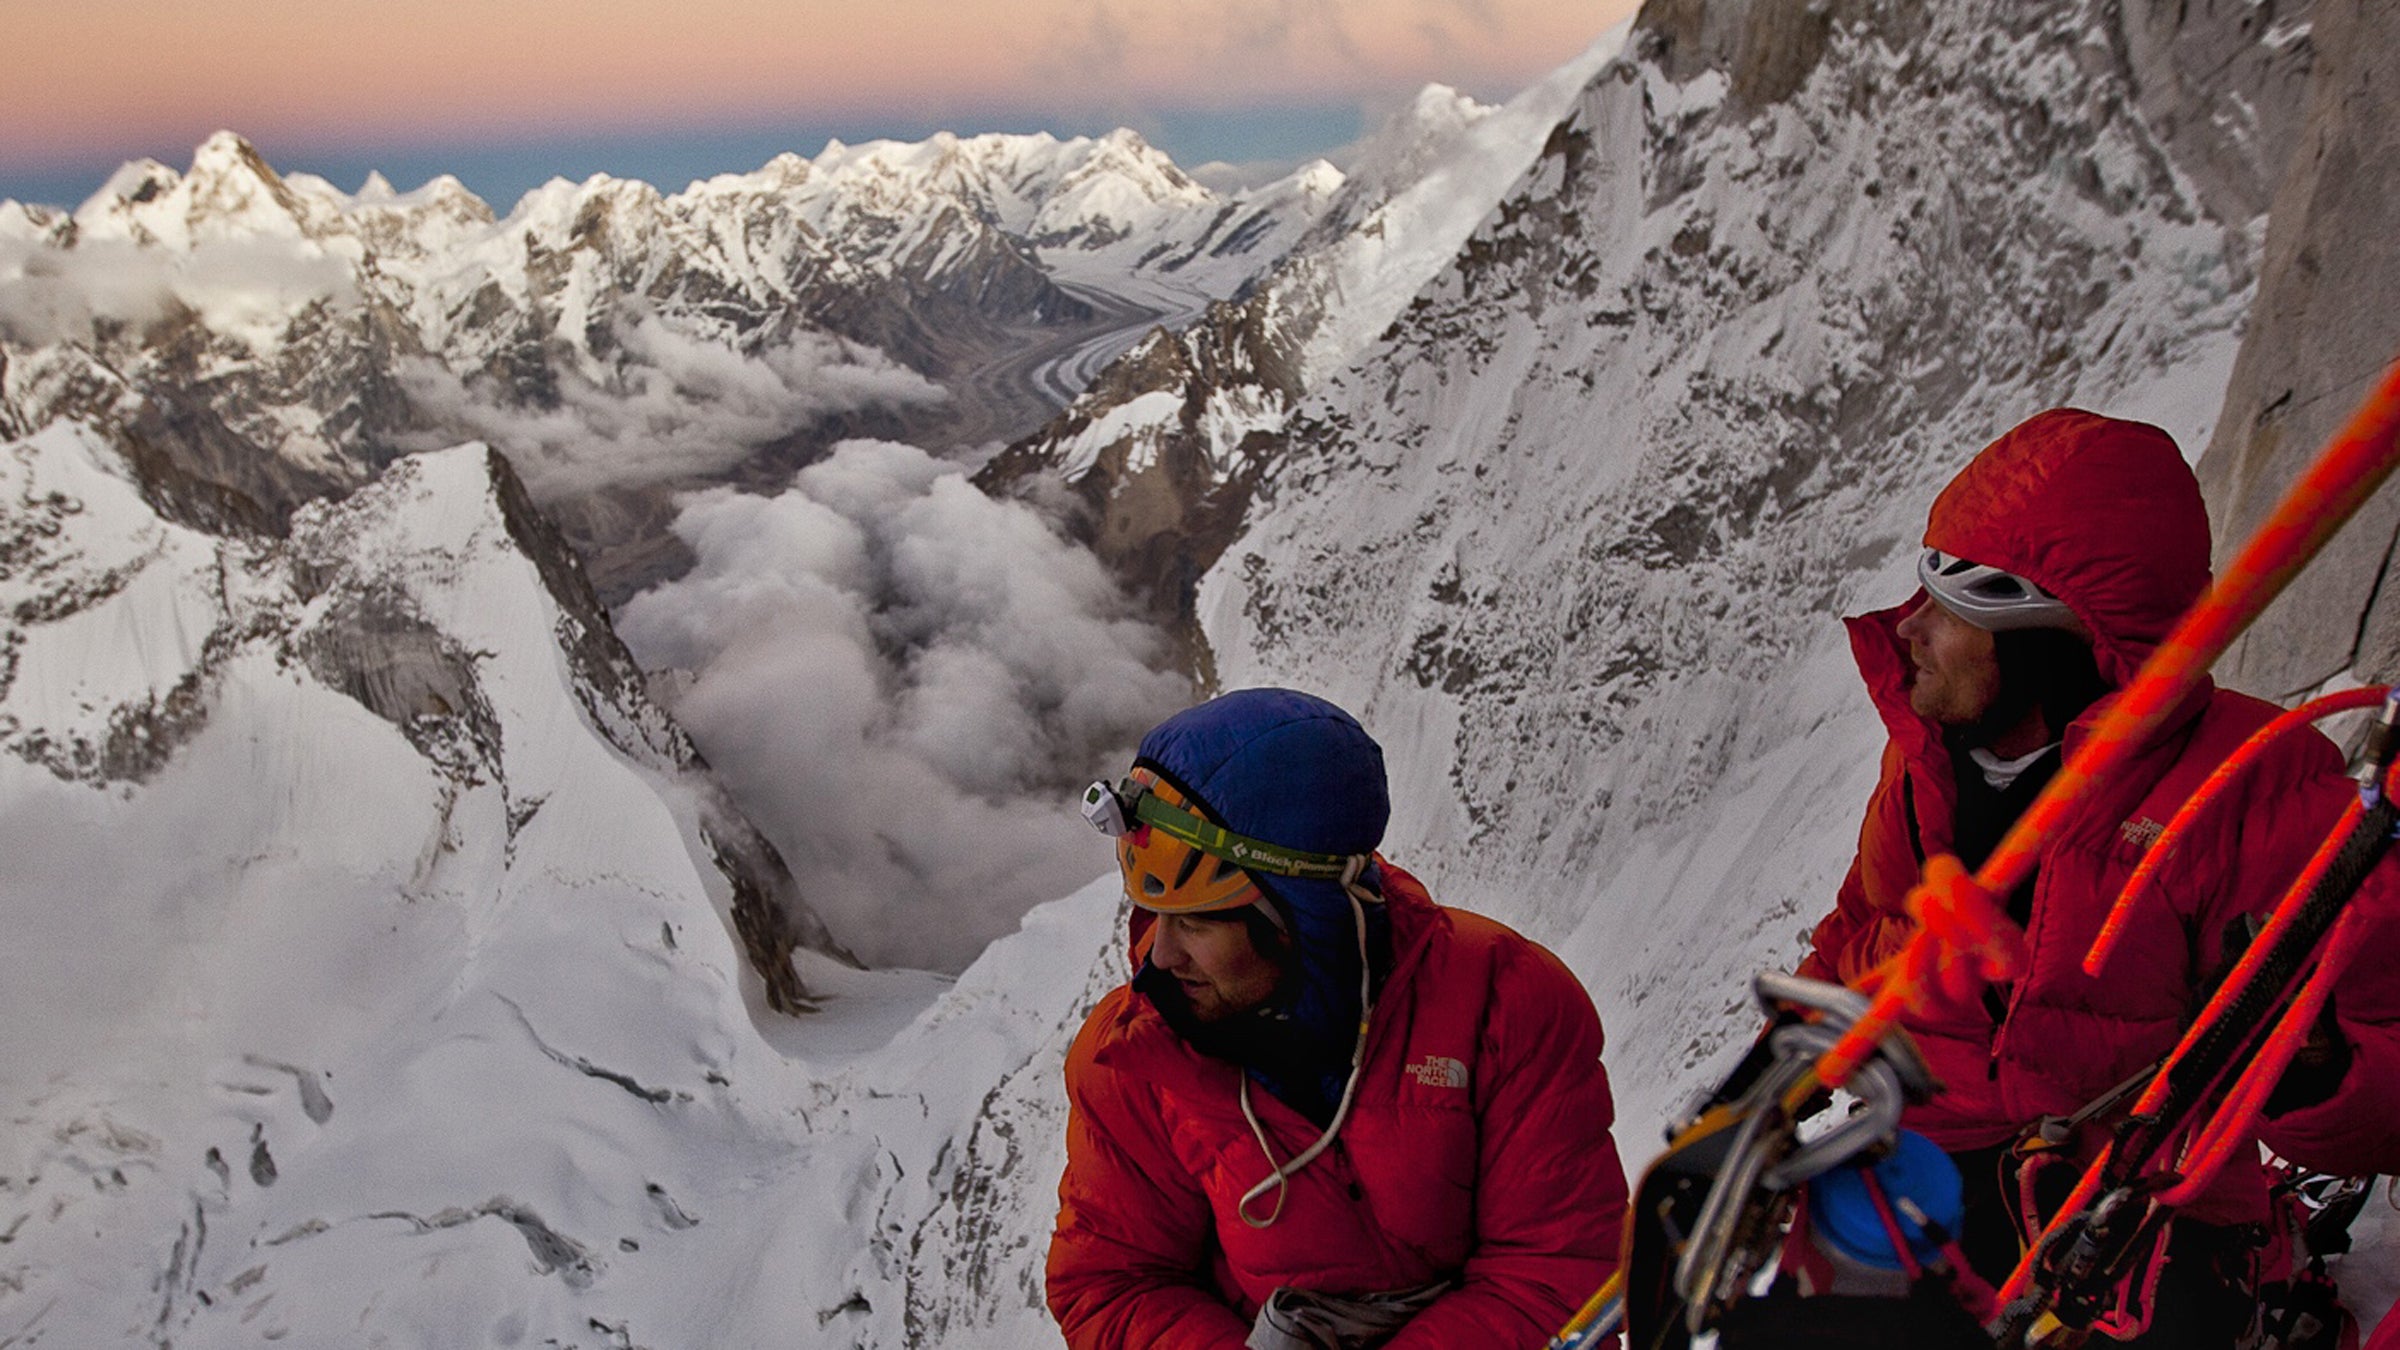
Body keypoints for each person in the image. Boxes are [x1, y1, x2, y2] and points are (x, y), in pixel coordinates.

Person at [1799, 408, 2400, 1342]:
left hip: (2144, 1197)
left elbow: (2388, 1082)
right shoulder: (1924, 761)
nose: (1908, 627)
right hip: (1944, 1151)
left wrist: (2311, 1074)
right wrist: (1800, 1042)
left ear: (2052, 642)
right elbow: (1868, 926)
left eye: (1955, 606)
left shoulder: (2255, 790)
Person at [1046, 688, 1630, 1349]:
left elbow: (1558, 1271)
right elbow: (1113, 1283)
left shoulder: (1504, 1005)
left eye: (1200, 920)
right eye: (1155, 915)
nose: (1163, 953)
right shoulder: (1135, 1059)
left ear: (1303, 918)